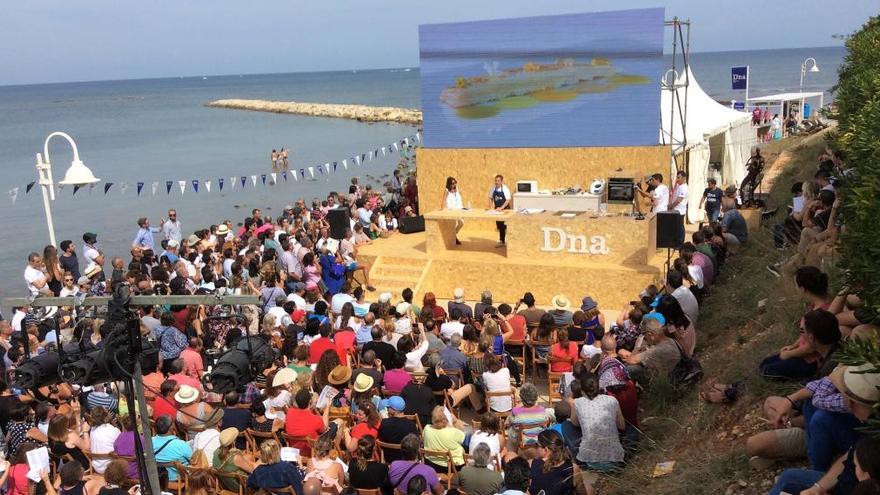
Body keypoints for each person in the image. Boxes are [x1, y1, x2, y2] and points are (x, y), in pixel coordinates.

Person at [760, 309, 841, 381]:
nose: (800, 335)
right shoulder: (839, 349)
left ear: (811, 337)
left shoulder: (826, 373)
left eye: (802, 331)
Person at [570, 373, 625, 472]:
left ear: (582, 389)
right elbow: (622, 426)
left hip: (589, 460)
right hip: (615, 459)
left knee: (566, 426)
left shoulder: (577, 403)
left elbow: (575, 423)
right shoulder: (612, 400)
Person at [530, 429, 576, 495]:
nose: (534, 448)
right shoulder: (572, 468)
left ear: (546, 450)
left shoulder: (532, 464)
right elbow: (582, 492)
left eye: (536, 445)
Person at [152, 415, 193, 482]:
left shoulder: (149, 442)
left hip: (157, 479)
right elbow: (193, 460)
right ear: (171, 428)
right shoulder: (181, 445)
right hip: (179, 480)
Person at [489, 174, 512, 247]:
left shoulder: (505, 188)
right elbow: (490, 198)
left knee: (505, 226)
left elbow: (508, 199)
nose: (496, 182)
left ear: (502, 182)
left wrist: (502, 208)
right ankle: (502, 241)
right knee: (500, 226)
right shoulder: (493, 188)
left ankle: (508, 242)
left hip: (505, 209)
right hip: (497, 210)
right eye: (495, 180)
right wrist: (491, 207)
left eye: (498, 181)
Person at [441, 176, 464, 245]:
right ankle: (454, 238)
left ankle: (453, 236)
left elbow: (458, 199)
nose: (454, 184)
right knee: (452, 225)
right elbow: (444, 200)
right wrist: (442, 209)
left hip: (458, 209)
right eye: (453, 183)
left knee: (461, 223)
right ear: (449, 184)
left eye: (455, 183)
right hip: (451, 210)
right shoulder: (447, 190)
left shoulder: (456, 189)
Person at [669, 171, 689, 247]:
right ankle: (676, 242)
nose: (677, 179)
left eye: (678, 177)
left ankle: (680, 244)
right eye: (677, 177)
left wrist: (671, 206)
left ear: (684, 178)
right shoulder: (680, 186)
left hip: (679, 211)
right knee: (677, 227)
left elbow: (679, 200)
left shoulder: (684, 188)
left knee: (679, 228)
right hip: (676, 210)